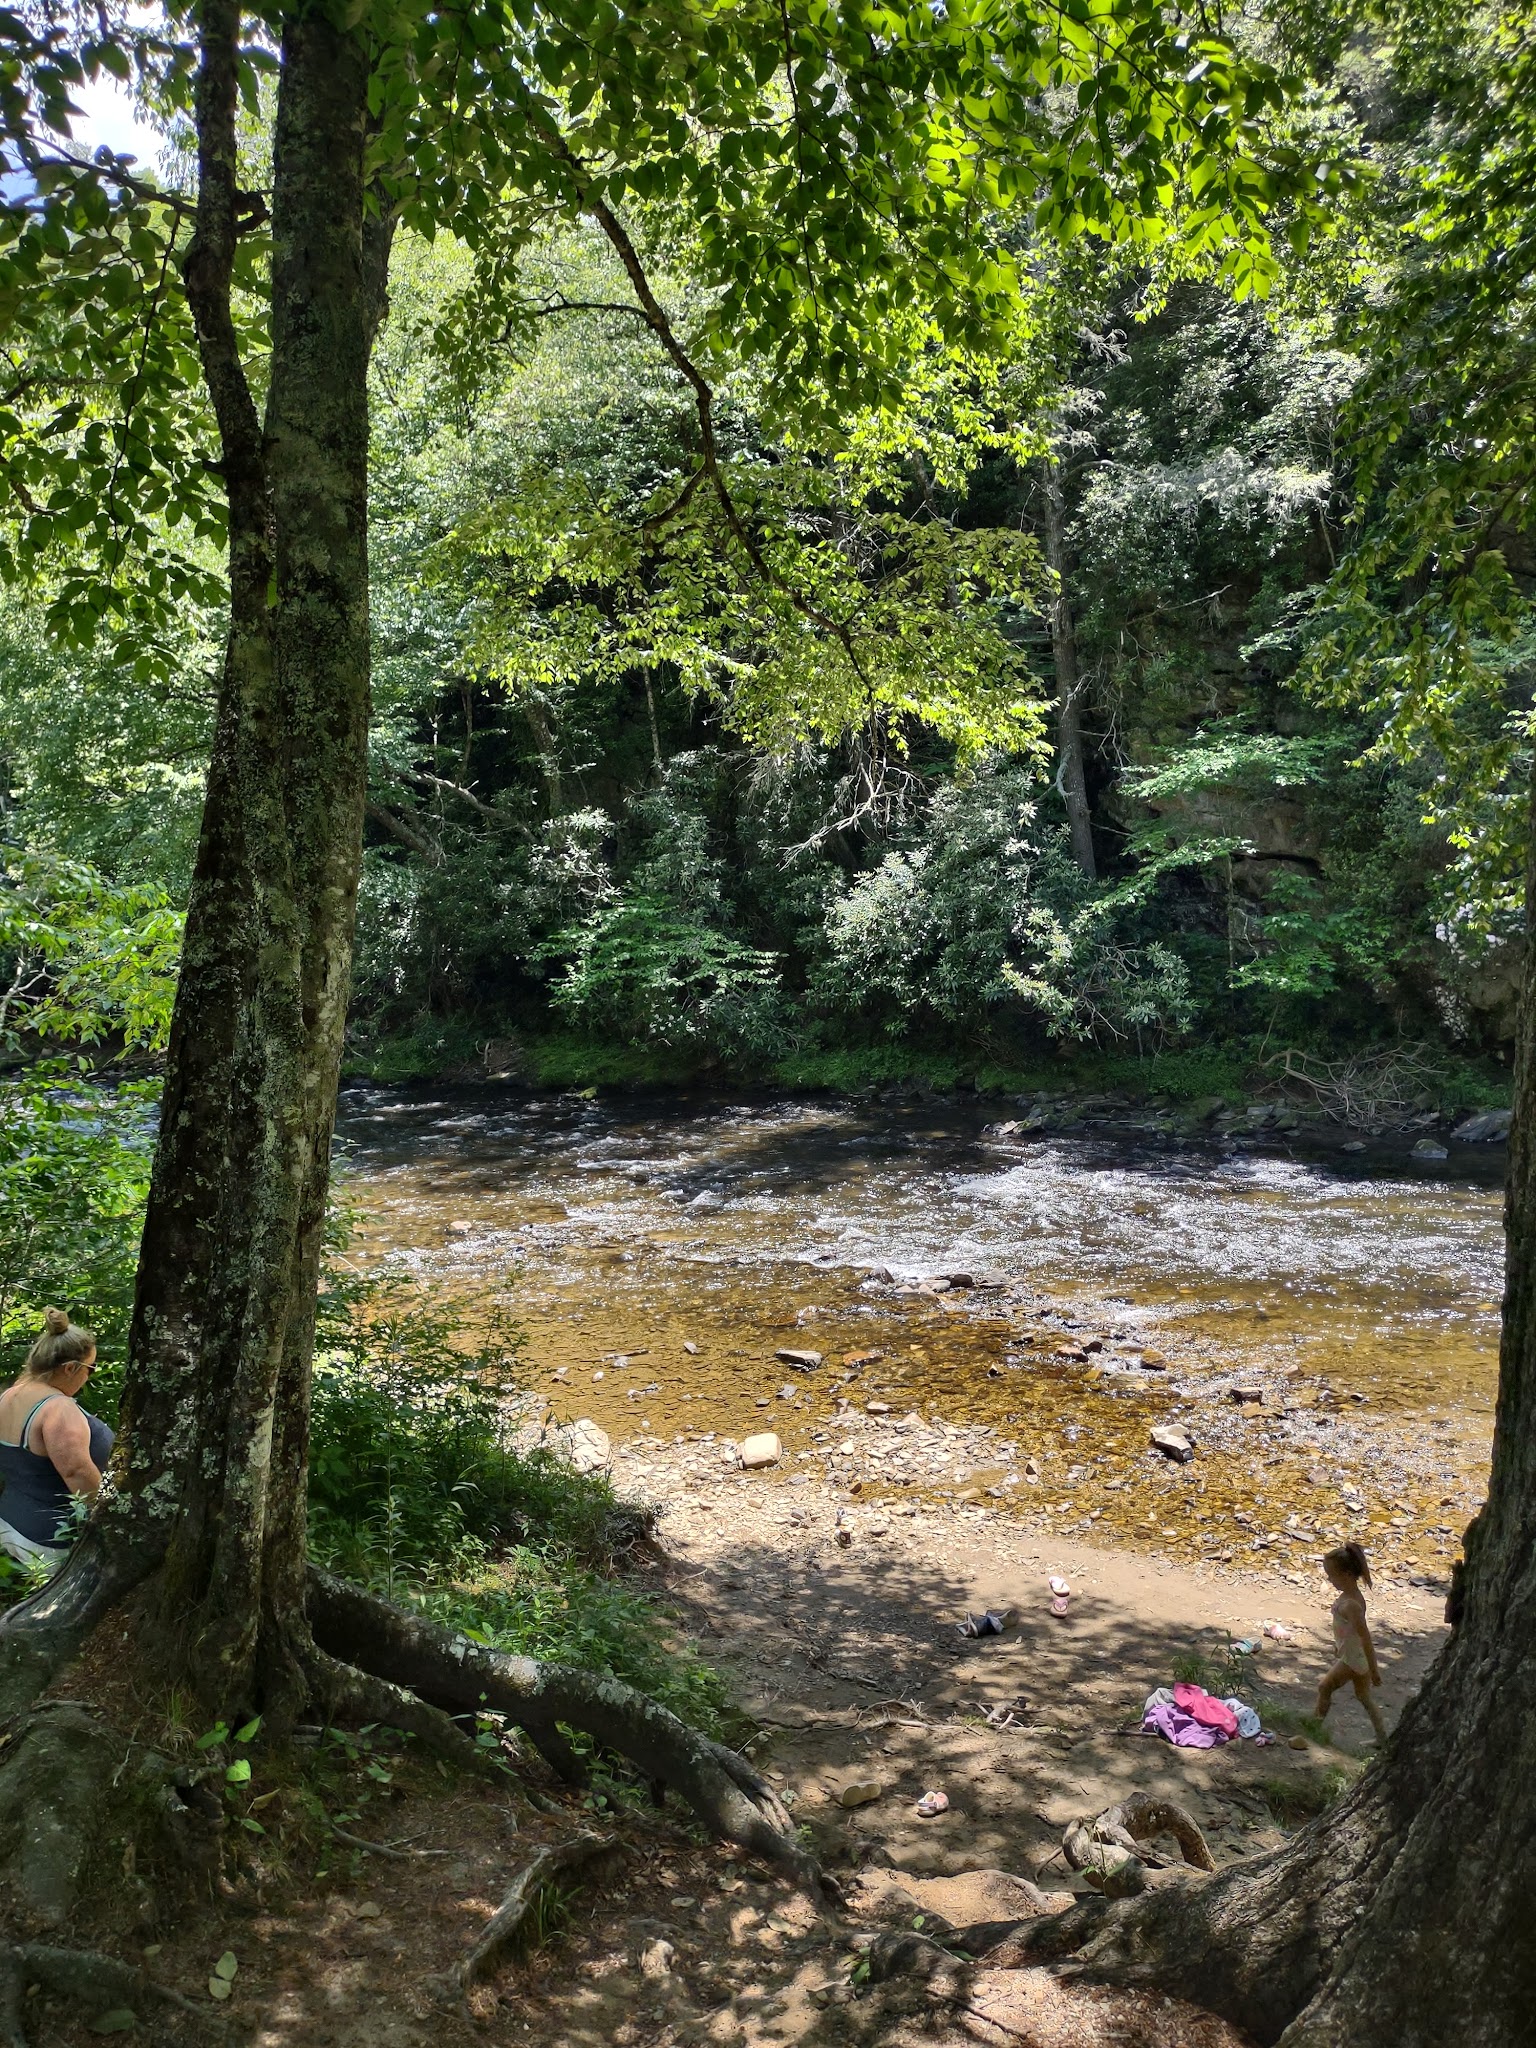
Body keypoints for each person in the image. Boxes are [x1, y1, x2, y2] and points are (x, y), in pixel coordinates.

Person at [0, 1308, 114, 1576]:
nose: (90, 1376)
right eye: (91, 1368)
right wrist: (115, 1524)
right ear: (71, 1368)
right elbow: (77, 1473)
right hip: (51, 1544)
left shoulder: (9, 1396)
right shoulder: (58, 1409)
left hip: (10, 1526)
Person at [1315, 1541, 1387, 1742]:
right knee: (1364, 1697)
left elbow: (1365, 1637)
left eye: (1332, 1575)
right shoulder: (1350, 1596)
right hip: (1354, 1655)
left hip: (1353, 1660)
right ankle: (1382, 1738)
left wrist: (1374, 1670)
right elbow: (1348, 1633)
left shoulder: (1351, 1605)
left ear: (1346, 1575)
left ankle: (1314, 1724)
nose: (1329, 1580)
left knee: (1324, 1687)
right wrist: (1338, 1645)